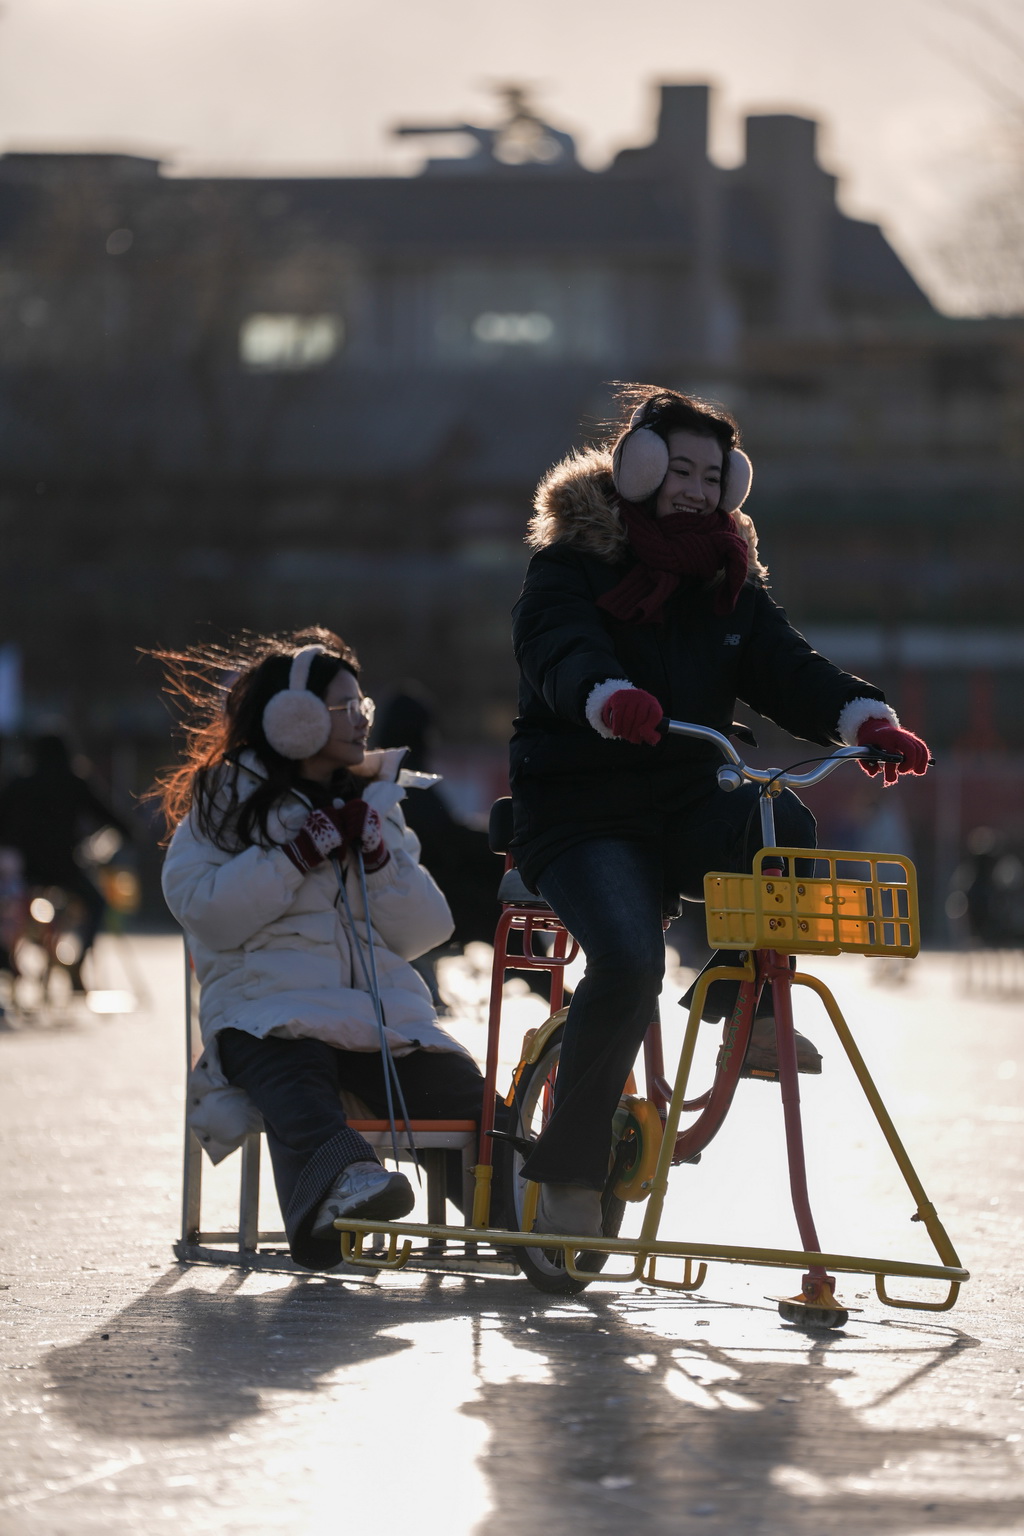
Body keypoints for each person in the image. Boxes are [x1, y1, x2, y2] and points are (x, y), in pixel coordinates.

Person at [508, 387, 931, 1238]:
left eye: (713, 475)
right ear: (639, 468)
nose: (697, 490)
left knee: (780, 824)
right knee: (627, 964)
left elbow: (786, 666)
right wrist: (607, 696)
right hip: (583, 813)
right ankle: (570, 1173)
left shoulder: (726, 579)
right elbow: (559, 648)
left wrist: (863, 719)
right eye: (681, 471)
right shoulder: (570, 565)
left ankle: (748, 1008)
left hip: (683, 801)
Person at [157, 627, 489, 1271]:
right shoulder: (223, 795)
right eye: (346, 708)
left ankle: (525, 1203)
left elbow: (425, 929)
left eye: (362, 706)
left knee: (460, 1090)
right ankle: (343, 1184)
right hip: (263, 1009)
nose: (363, 720)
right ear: (294, 717)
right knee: (297, 1075)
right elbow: (206, 912)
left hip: (373, 1014)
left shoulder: (374, 797)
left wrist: (380, 860)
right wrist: (295, 854)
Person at [0, 733, 132, 990]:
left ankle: (8, 958)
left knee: (9, 906)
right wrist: (120, 838)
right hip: (66, 868)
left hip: (26, 870)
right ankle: (79, 960)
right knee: (97, 904)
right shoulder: (75, 782)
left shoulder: (19, 783)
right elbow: (113, 819)